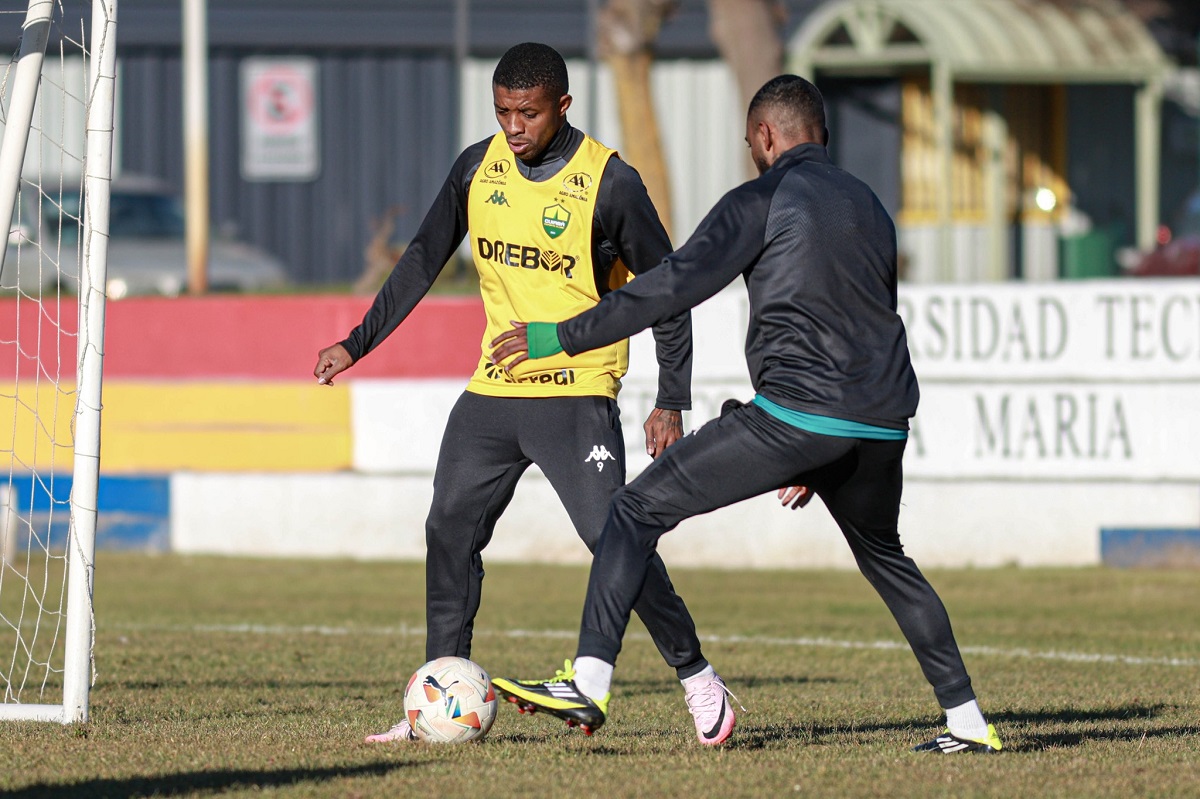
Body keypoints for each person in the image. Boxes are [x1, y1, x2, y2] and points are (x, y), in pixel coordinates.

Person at [489, 74, 1003, 754]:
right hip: (880, 421)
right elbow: (871, 314)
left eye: (749, 141)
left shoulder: (763, 197)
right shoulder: (871, 205)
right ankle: (969, 724)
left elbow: (670, 286)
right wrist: (820, 456)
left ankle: (588, 678)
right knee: (887, 559)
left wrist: (561, 334)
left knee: (633, 510)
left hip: (799, 415)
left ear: (765, 137)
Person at [313, 42, 736, 746]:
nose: (513, 126)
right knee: (447, 526)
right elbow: (422, 257)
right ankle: (437, 698)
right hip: (494, 388)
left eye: (528, 113)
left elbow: (671, 289)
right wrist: (356, 341)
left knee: (612, 535)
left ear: (563, 106)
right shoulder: (478, 168)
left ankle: (699, 678)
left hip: (577, 387)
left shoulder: (611, 182)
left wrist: (671, 396)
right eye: (503, 111)